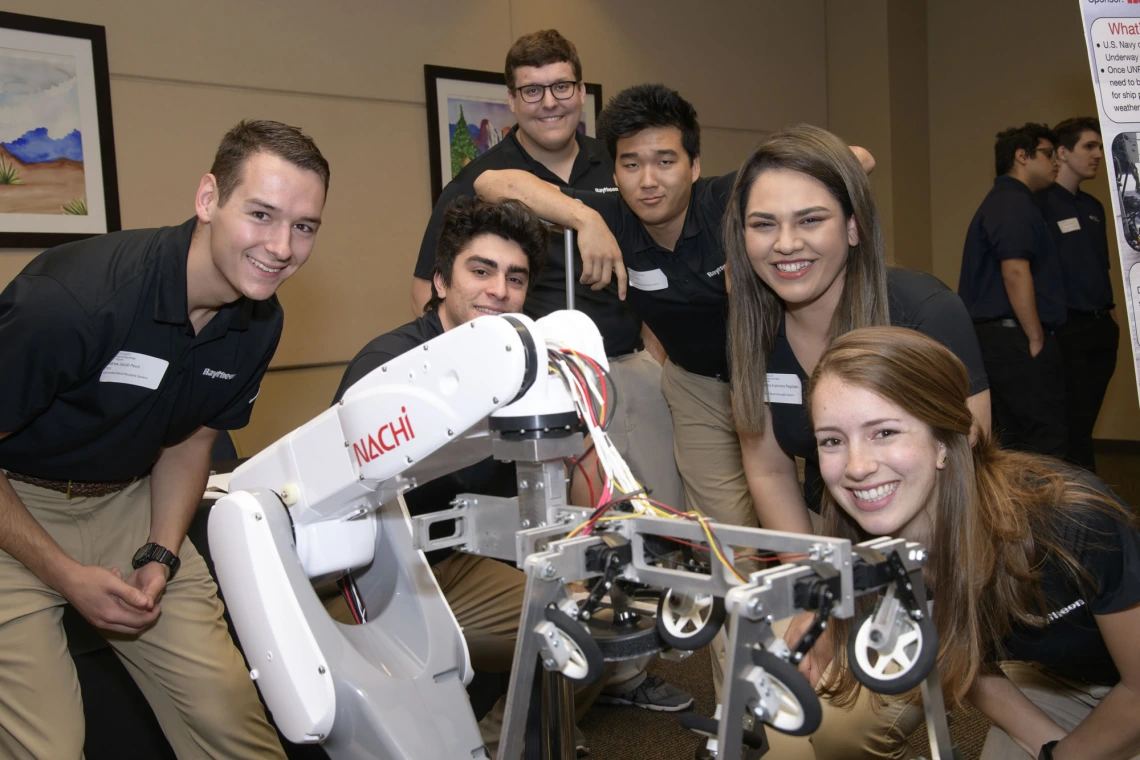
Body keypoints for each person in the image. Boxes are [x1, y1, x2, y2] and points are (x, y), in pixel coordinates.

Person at [0, 119, 329, 759]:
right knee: (50, 746)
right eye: (261, 214)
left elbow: (190, 440)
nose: (282, 246)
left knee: (231, 717)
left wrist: (161, 553)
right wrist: (65, 574)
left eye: (304, 226)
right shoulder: (70, 302)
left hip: (126, 499)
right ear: (208, 199)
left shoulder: (259, 322)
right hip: (14, 505)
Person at [795, 326, 1140, 760]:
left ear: (945, 440)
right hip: (1055, 682)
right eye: (832, 441)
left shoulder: (1072, 521)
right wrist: (1053, 748)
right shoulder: (880, 548)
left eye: (884, 432)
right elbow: (963, 657)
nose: (857, 467)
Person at [409, 30, 684, 522]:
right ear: (512, 101)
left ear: (581, 92)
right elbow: (425, 293)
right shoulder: (480, 179)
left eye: (561, 86)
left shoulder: (619, 162)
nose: (549, 103)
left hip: (629, 370)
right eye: (531, 91)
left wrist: (654, 357)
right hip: (538, 382)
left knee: (659, 518)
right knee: (567, 532)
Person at [722, 123, 991, 536]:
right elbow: (769, 472)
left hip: (940, 534)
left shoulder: (924, 312)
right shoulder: (753, 330)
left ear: (853, 227)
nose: (787, 243)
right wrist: (816, 579)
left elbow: (967, 455)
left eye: (810, 220)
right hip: (830, 528)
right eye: (763, 225)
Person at [957, 123, 1067, 458]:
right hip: (1014, 339)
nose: (1056, 163)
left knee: (1014, 442)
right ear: (1022, 156)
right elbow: (1016, 272)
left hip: (1003, 340)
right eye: (1048, 154)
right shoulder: (1013, 203)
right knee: (1043, 440)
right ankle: (1042, 512)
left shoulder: (1009, 201)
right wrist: (1035, 338)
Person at [1038, 117, 1118, 473]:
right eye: (1090, 146)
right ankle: (1083, 510)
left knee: (1085, 423)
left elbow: (1101, 268)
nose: (1099, 155)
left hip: (1102, 326)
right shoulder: (1041, 205)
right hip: (1067, 329)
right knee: (1073, 427)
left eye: (1100, 147)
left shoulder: (1094, 207)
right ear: (1063, 153)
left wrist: (1112, 316)